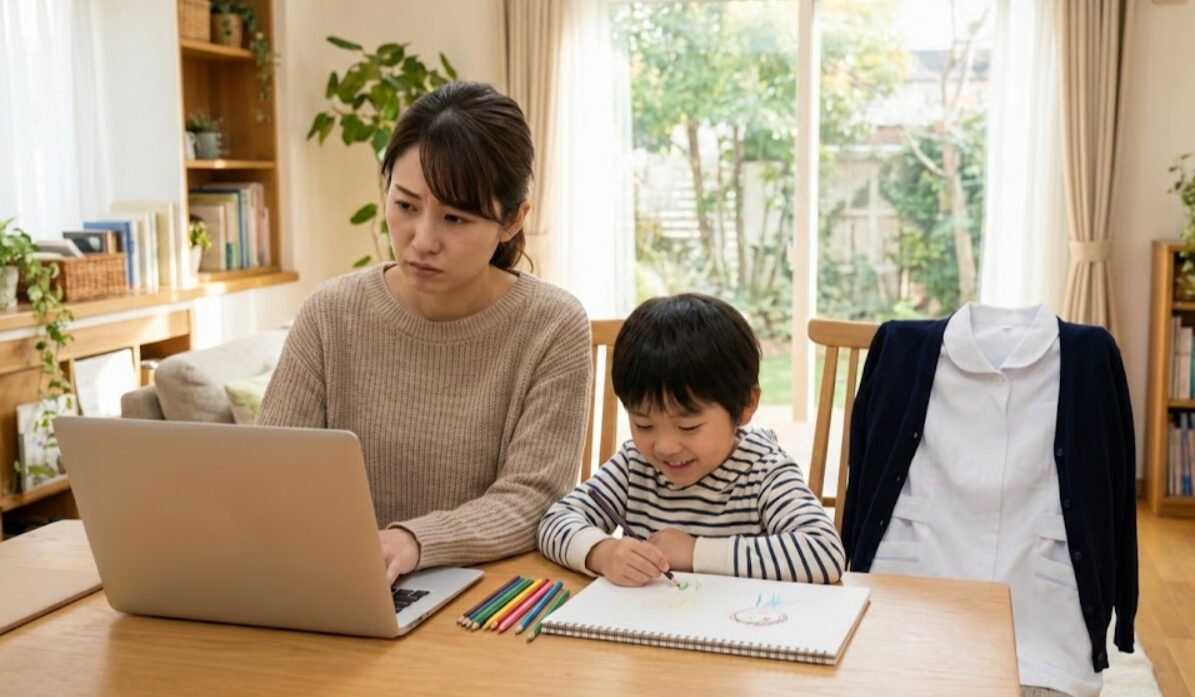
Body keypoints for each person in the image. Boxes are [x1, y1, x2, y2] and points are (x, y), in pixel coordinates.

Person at [258, 81, 592, 583]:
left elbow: (532, 499)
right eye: (406, 206)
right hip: (339, 584)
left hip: (479, 597)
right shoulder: (330, 313)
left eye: (455, 217)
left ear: (513, 220)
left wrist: (413, 541)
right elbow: (269, 470)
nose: (422, 240)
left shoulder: (552, 325)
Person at [538, 293, 844, 586]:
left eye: (688, 427)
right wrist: (601, 553)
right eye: (643, 425)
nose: (664, 447)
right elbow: (555, 521)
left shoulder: (763, 471)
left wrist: (696, 552)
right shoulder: (635, 466)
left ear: (746, 405)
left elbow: (825, 553)